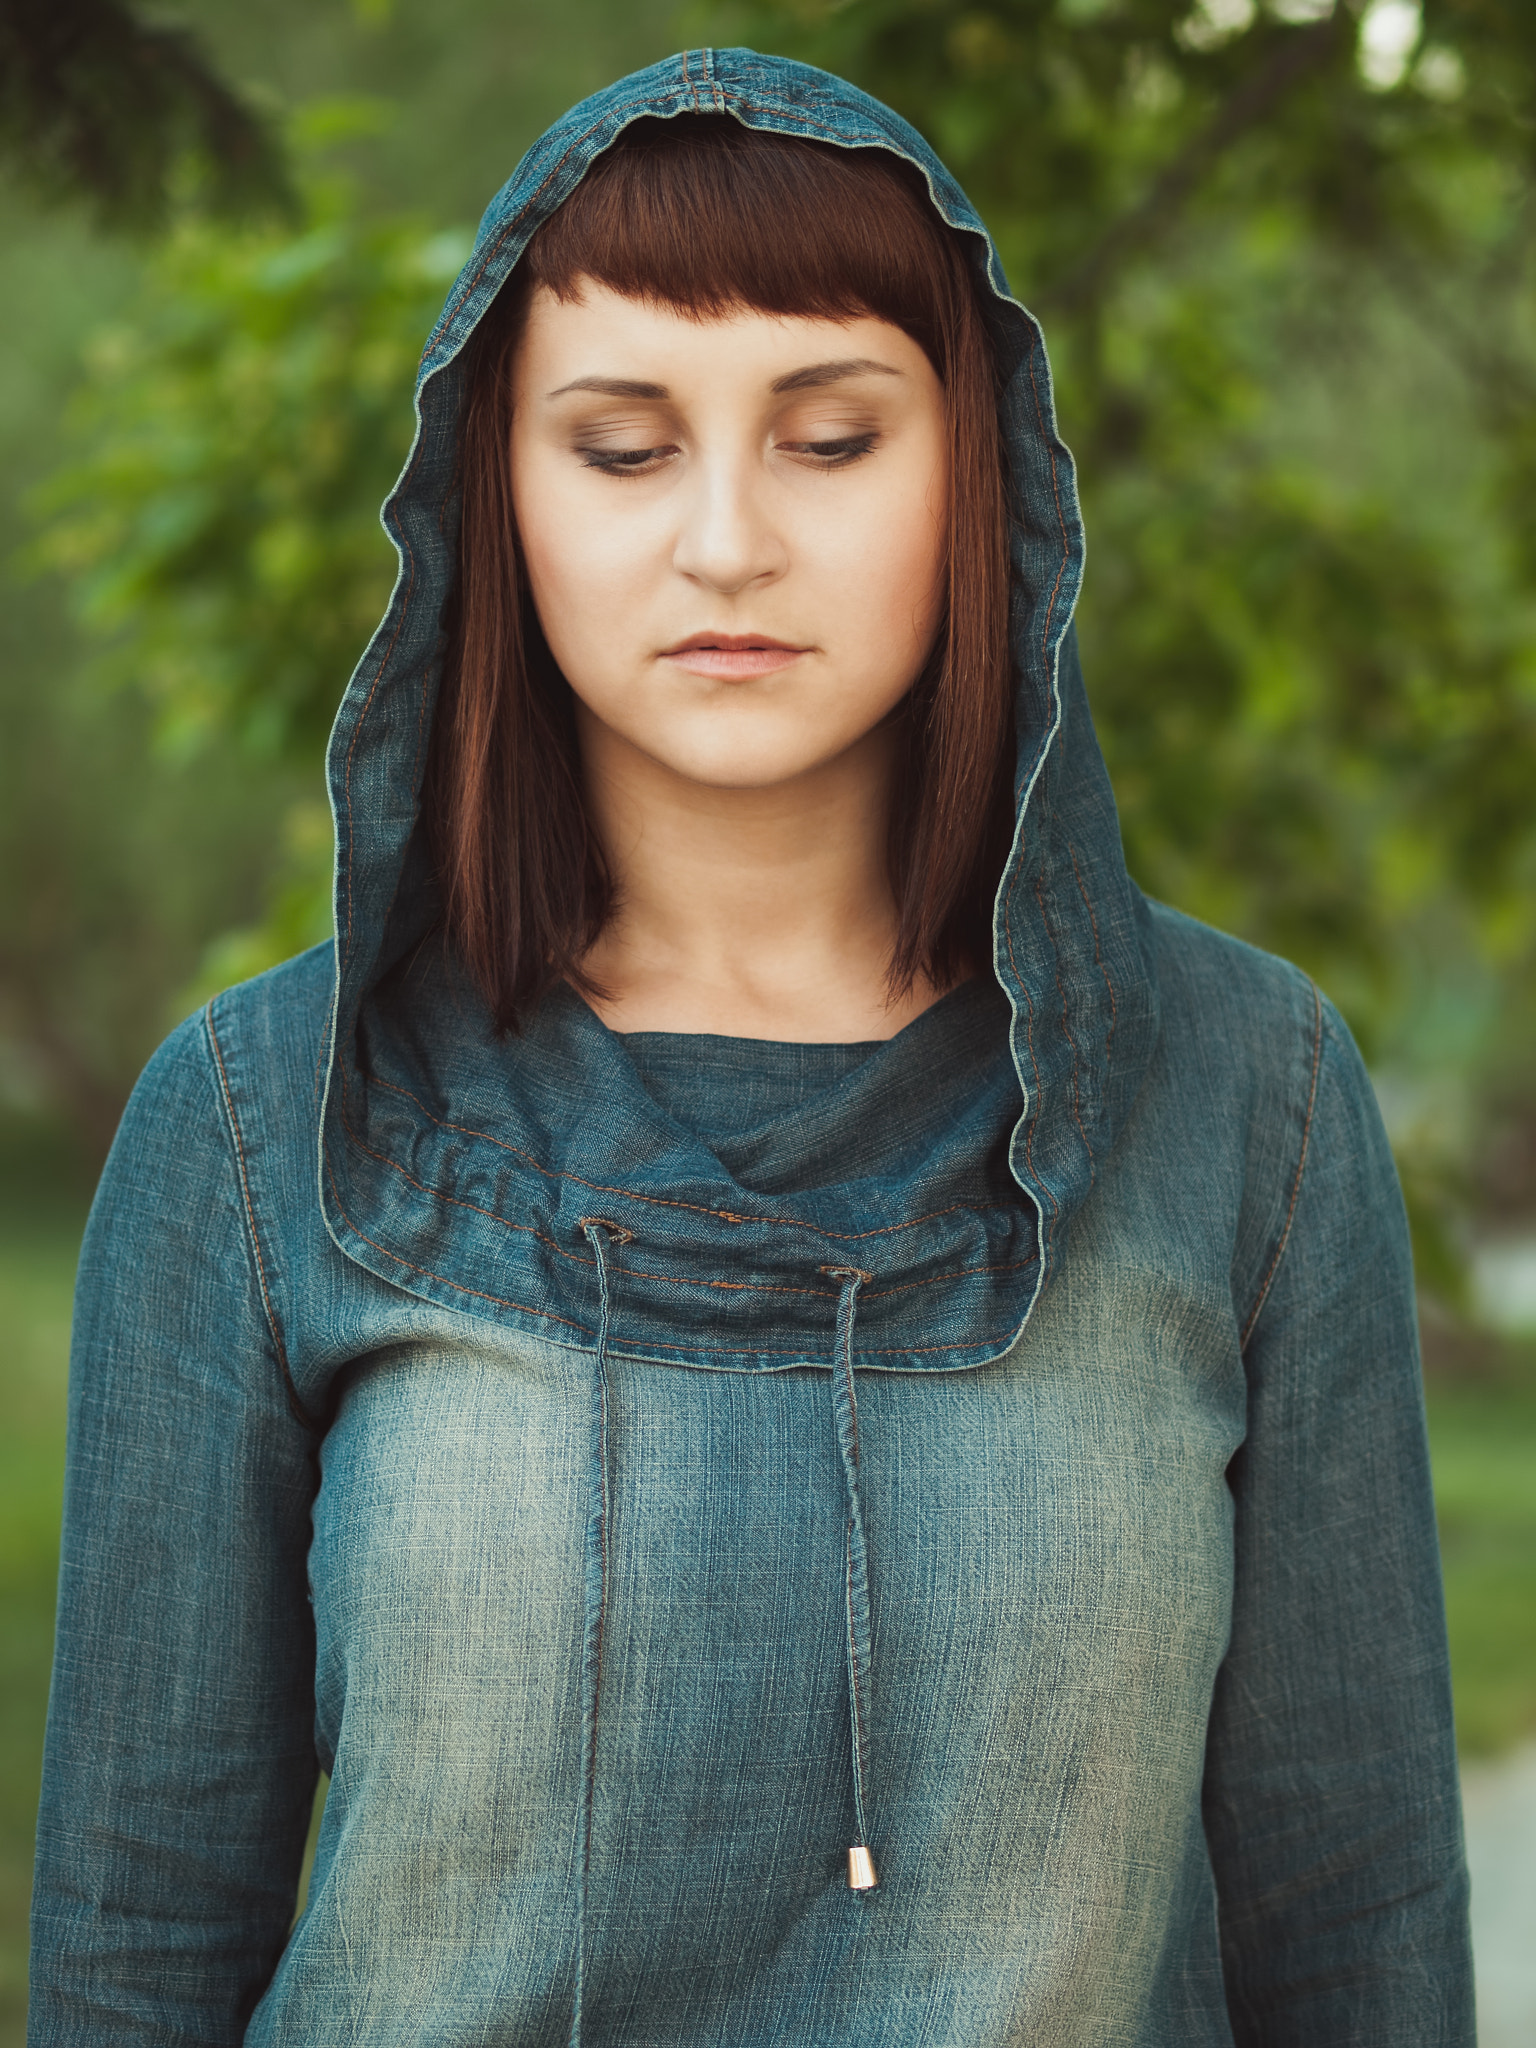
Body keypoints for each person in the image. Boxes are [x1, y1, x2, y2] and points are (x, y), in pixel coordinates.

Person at [29, 48, 1473, 2048]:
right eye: (621, 446)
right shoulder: (262, 1120)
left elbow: (1362, 1915)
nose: (725, 540)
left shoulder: (1255, 1097)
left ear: (976, 475)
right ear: (497, 498)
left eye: (830, 436)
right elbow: (135, 1945)